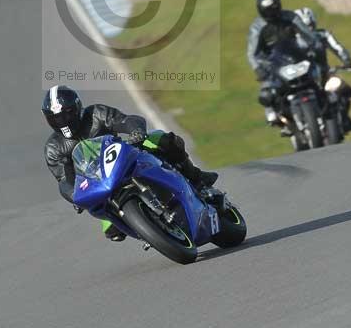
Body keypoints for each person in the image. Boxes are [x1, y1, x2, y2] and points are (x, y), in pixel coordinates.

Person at [42, 85, 220, 242]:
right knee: (112, 231)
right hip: (100, 186)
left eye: (67, 114)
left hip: (123, 158)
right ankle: (149, 230)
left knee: (162, 139)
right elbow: (64, 179)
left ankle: (196, 177)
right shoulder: (54, 147)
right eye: (56, 118)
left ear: (77, 107)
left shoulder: (96, 113)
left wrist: (136, 131)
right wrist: (74, 196)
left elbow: (124, 120)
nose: (63, 121)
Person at [247, 0, 320, 126]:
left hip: (296, 56)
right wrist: (258, 68)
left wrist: (314, 47)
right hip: (273, 63)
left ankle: (326, 103)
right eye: (267, 10)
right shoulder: (257, 28)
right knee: (267, 91)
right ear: (261, 11)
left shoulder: (290, 17)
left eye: (273, 8)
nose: (271, 13)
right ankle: (272, 113)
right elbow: (252, 53)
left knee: (319, 76)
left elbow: (308, 35)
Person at [295, 7, 351, 131]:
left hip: (324, 74)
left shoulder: (323, 35)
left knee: (344, 89)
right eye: (305, 26)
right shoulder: (292, 41)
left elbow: (337, 47)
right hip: (302, 78)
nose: (309, 29)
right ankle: (296, 122)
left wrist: (347, 61)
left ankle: (344, 118)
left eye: (311, 25)